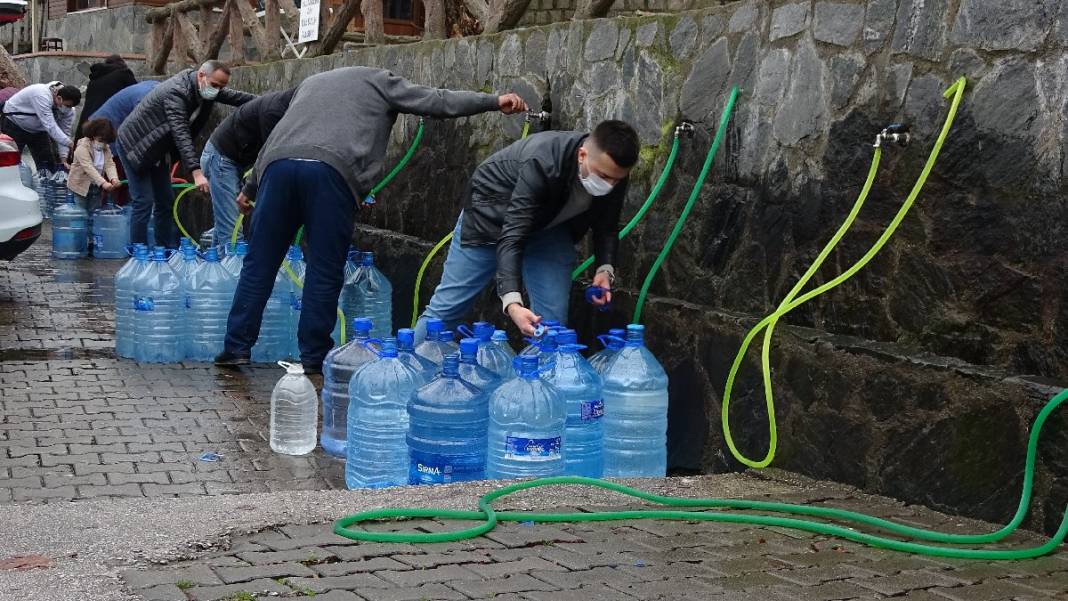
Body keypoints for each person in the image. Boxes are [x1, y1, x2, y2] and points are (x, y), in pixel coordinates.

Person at [214, 66, 528, 373]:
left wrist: (250, 187)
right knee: (324, 268)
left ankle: (235, 348)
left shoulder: (310, 83)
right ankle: (313, 357)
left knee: (260, 263)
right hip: (331, 171)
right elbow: (438, 101)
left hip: (277, 168)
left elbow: (276, 137)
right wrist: (493, 101)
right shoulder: (380, 80)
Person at [415, 120, 639, 339]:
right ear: (582, 155)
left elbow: (607, 225)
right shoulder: (543, 160)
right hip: (491, 218)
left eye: (616, 180)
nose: (609, 185)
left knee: (552, 326)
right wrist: (512, 303)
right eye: (603, 176)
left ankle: (539, 373)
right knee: (446, 311)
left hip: (549, 228)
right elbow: (512, 234)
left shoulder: (614, 170)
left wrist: (604, 269)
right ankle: (409, 367)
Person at [117, 60, 254, 248]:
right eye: (215, 85)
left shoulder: (205, 89)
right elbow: (181, 133)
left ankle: (163, 252)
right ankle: (139, 255)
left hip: (159, 150)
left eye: (221, 87)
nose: (217, 90)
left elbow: (237, 98)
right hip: (135, 146)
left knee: (165, 202)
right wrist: (196, 172)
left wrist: (271, 102)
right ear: (201, 75)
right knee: (144, 202)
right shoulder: (176, 92)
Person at [201, 87, 295, 246]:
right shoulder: (274, 112)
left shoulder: (287, 109)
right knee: (231, 234)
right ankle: (228, 267)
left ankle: (214, 263)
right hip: (221, 159)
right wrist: (252, 189)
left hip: (233, 160)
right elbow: (271, 158)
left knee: (225, 226)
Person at [67, 117, 120, 254]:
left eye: (105, 141)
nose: (102, 144)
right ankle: (77, 244)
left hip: (95, 187)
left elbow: (109, 164)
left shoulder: (106, 149)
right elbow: (88, 167)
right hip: (80, 186)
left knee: (93, 215)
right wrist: (104, 183)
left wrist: (114, 178)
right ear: (93, 134)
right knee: (80, 216)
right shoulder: (82, 147)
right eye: (101, 140)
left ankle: (90, 243)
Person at [0, 82, 81, 172]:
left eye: (71, 106)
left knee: (47, 164)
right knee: (9, 161)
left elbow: (64, 132)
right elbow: (50, 125)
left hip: (39, 130)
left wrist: (64, 159)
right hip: (14, 123)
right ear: (59, 98)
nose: (68, 109)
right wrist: (70, 143)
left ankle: (46, 182)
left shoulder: (69, 110)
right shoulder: (41, 94)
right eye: (68, 105)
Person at [74, 54, 136, 141]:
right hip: (107, 122)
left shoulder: (94, 79)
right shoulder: (124, 74)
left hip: (87, 122)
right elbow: (135, 93)